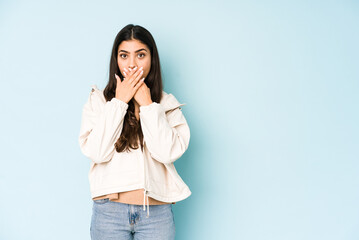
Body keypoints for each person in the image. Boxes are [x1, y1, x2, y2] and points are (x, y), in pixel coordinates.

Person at [78, 24, 191, 240]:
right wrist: (119, 102)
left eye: (140, 55)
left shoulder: (168, 104)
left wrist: (148, 105)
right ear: (116, 59)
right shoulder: (99, 100)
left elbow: (166, 153)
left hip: (155, 213)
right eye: (124, 55)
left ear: (152, 59)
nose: (131, 64)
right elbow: (97, 153)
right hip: (109, 211)